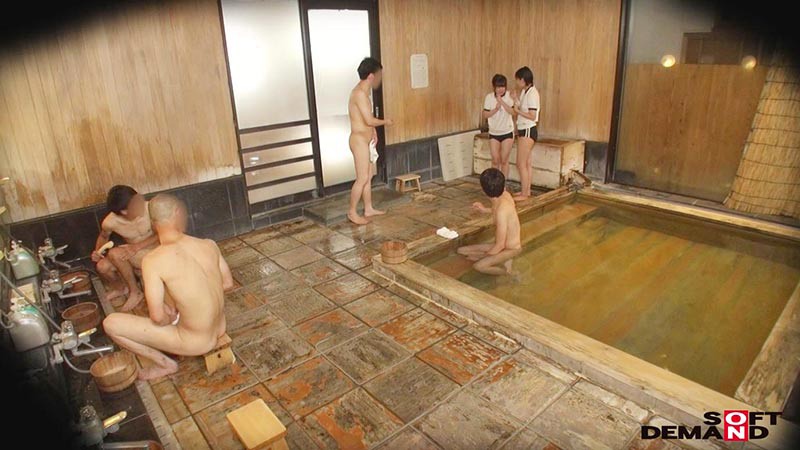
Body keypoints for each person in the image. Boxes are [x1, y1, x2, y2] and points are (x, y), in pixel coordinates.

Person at [102, 194, 234, 380]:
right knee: (173, 295)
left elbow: (157, 318)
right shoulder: (208, 244)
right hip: (220, 327)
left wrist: (170, 317)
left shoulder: (153, 261)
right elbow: (227, 283)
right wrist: (191, 302)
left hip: (196, 342)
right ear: (178, 214)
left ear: (153, 223)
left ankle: (165, 365)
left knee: (110, 323)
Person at [92, 185, 158, 311]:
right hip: (134, 254)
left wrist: (136, 247)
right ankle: (121, 288)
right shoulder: (110, 222)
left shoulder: (151, 209)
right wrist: (98, 251)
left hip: (156, 250)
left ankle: (135, 292)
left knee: (115, 254)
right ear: (123, 212)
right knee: (102, 266)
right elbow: (103, 236)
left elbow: (164, 233)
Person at [347, 57, 393, 225]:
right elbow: (368, 119)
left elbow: (365, 118)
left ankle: (368, 208)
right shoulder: (359, 94)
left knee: (368, 176)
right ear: (372, 76)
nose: (380, 79)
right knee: (362, 178)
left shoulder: (364, 92)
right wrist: (385, 122)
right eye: (379, 75)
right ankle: (352, 212)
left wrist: (373, 132)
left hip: (365, 139)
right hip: (358, 140)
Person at [457, 168, 521, 275]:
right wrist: (484, 209)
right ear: (503, 186)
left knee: (478, 265)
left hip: (511, 249)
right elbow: (500, 211)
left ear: (483, 190)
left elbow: (500, 245)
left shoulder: (501, 211)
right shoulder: (505, 195)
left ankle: (508, 274)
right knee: (461, 251)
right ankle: (503, 265)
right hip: (501, 246)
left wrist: (482, 257)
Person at [511, 66, 540, 201]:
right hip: (524, 129)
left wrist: (518, 111)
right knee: (527, 163)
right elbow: (522, 106)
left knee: (520, 163)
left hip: (528, 129)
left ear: (523, 80)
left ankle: (524, 194)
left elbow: (532, 115)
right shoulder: (525, 91)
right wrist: (515, 99)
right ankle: (526, 191)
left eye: (517, 80)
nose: (517, 82)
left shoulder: (533, 93)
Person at [482, 74, 515, 177]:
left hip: (507, 132)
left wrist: (502, 102)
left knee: (504, 160)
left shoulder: (509, 96)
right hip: (494, 132)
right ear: (494, 87)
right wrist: (496, 109)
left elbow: (513, 112)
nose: (501, 89)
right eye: (498, 87)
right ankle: (494, 183)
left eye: (503, 86)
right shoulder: (489, 97)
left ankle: (503, 183)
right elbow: (485, 114)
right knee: (495, 160)